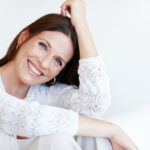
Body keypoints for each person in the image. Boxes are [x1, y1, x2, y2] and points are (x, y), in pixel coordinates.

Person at [0, 0, 139, 150]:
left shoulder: (48, 95)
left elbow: (95, 103)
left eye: (58, 61)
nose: (44, 63)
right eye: (43, 46)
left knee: (92, 133)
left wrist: (82, 24)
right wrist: (114, 130)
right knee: (64, 135)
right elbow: (24, 117)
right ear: (24, 37)